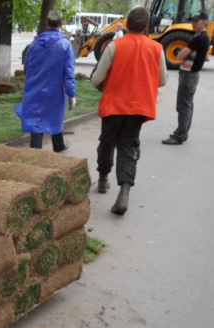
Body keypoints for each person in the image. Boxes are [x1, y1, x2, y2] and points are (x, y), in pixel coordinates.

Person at [90, 7, 167, 215]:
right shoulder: (156, 48)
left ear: (126, 24)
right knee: (128, 146)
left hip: (114, 106)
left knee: (107, 142)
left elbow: (96, 79)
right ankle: (124, 191)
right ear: (147, 27)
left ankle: (104, 179)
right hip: (139, 108)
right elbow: (163, 80)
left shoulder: (115, 46)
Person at [14, 10, 76, 154]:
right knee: (56, 116)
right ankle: (58, 145)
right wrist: (71, 94)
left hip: (35, 87)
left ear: (47, 23)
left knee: (36, 120)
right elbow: (69, 73)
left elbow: (27, 67)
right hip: (55, 90)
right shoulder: (65, 45)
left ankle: (37, 153)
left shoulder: (35, 44)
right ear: (61, 24)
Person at [162, 10, 210, 145]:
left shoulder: (200, 38)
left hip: (189, 74)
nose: (194, 23)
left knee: (183, 106)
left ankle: (179, 135)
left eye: (197, 21)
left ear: (205, 21)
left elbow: (180, 55)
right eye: (193, 20)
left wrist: (182, 53)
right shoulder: (199, 36)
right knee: (188, 105)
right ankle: (183, 132)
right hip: (190, 74)